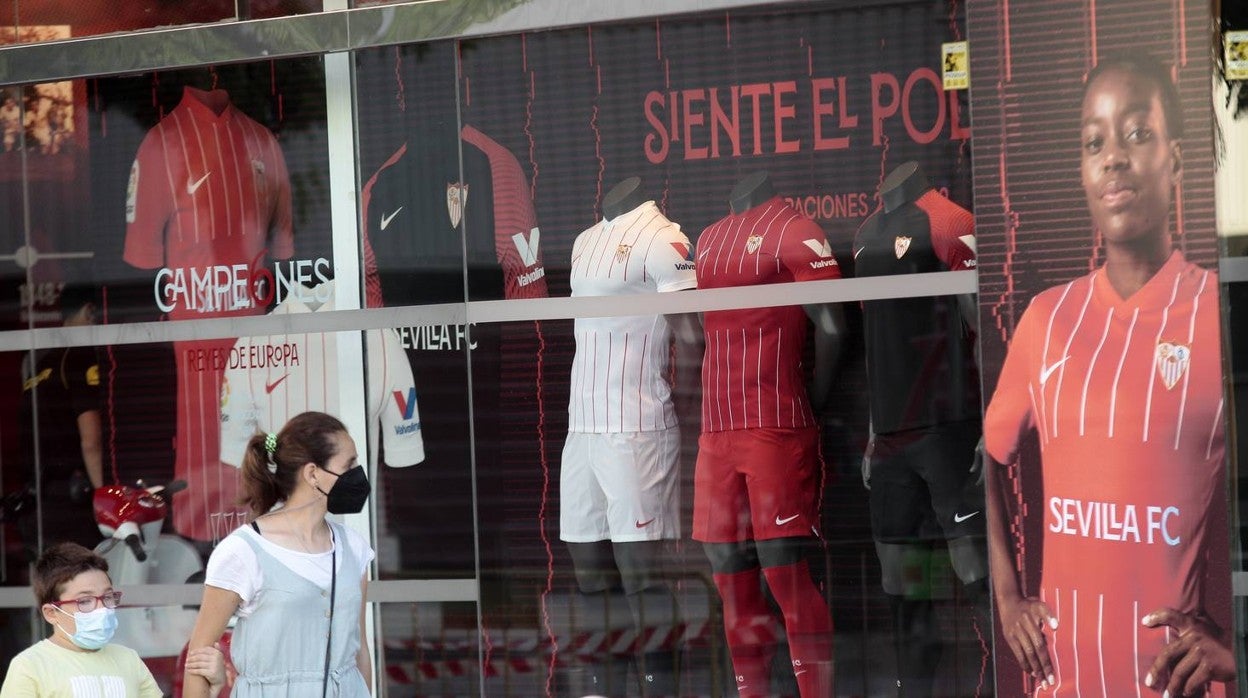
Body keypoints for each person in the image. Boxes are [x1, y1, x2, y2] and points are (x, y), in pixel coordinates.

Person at [983, 52, 1235, 697]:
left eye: (1137, 133)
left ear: (1177, 160)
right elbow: (987, 458)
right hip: (1062, 683)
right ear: (1082, 171)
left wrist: (1231, 649)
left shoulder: (1216, 318)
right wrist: (1009, 598)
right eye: (1095, 142)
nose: (1114, 157)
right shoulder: (1045, 320)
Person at [693, 171, 844, 698]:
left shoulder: (796, 230)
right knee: (728, 579)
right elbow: (697, 330)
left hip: (774, 425)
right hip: (716, 432)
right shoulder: (707, 238)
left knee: (785, 574)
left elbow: (833, 325)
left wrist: (815, 401)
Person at [854, 162, 988, 696]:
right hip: (890, 434)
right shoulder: (864, 235)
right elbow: (874, 339)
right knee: (897, 573)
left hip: (946, 425)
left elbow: (983, 321)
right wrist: (871, 432)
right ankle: (918, 686)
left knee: (971, 562)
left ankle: (1010, 675)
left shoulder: (949, 220)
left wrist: (988, 420)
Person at [560, 176, 697, 697]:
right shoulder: (583, 240)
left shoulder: (665, 238)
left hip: (636, 427)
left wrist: (692, 406)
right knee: (589, 569)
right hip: (583, 428)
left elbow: (691, 334)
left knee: (641, 573)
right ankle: (603, 685)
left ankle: (661, 685)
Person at [183, 411, 376, 697]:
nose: (358, 474)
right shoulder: (243, 551)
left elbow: (359, 648)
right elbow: (199, 656)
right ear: (312, 474)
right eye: (349, 464)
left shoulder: (354, 548)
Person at [0, 542, 225, 697]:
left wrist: (210, 689)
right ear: (52, 613)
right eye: (85, 601)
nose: (102, 609)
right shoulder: (30, 666)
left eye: (107, 597)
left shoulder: (128, 660)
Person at [16, 284, 105, 560]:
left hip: (37, 500)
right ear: (90, 311)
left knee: (53, 587)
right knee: (84, 588)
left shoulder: (40, 363)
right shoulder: (79, 356)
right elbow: (90, 440)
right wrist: (104, 496)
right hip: (71, 502)